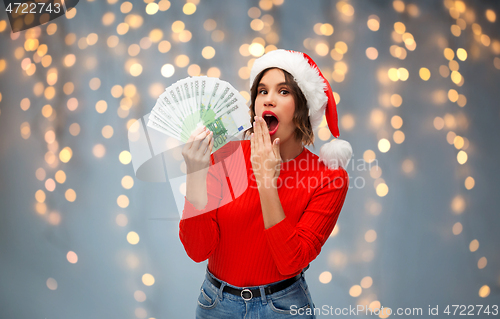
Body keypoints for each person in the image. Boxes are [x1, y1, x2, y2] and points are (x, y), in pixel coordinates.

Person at [179, 49, 352, 318]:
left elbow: (290, 261)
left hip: (282, 308)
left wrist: (266, 182)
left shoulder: (329, 178)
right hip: (216, 305)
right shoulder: (226, 156)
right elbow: (197, 249)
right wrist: (195, 175)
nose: (269, 99)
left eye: (284, 92)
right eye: (262, 91)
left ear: (303, 107)